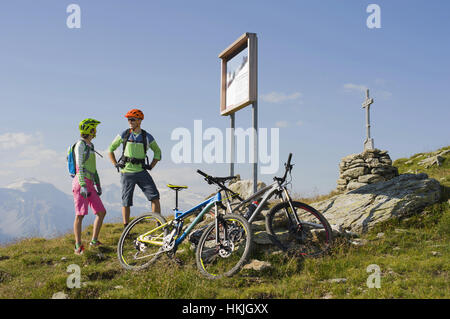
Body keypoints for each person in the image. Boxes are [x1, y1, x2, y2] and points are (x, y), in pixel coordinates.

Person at [108, 109, 162, 228]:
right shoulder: (124, 134)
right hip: (126, 172)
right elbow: (110, 149)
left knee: (155, 197)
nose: (130, 122)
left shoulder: (147, 136)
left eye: (132, 119)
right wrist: (115, 164)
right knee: (126, 201)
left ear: (139, 121)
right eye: (128, 119)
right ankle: (126, 227)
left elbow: (158, 152)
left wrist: (151, 166)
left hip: (142, 171)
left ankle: (158, 225)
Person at [72, 118, 107, 255]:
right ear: (90, 130)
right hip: (81, 183)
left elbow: (94, 168)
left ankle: (94, 241)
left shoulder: (90, 146)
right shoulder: (80, 145)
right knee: (80, 214)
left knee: (101, 212)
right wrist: (82, 185)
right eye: (94, 128)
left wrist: (97, 184)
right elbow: (79, 166)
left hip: (90, 183)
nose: (96, 131)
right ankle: (78, 246)